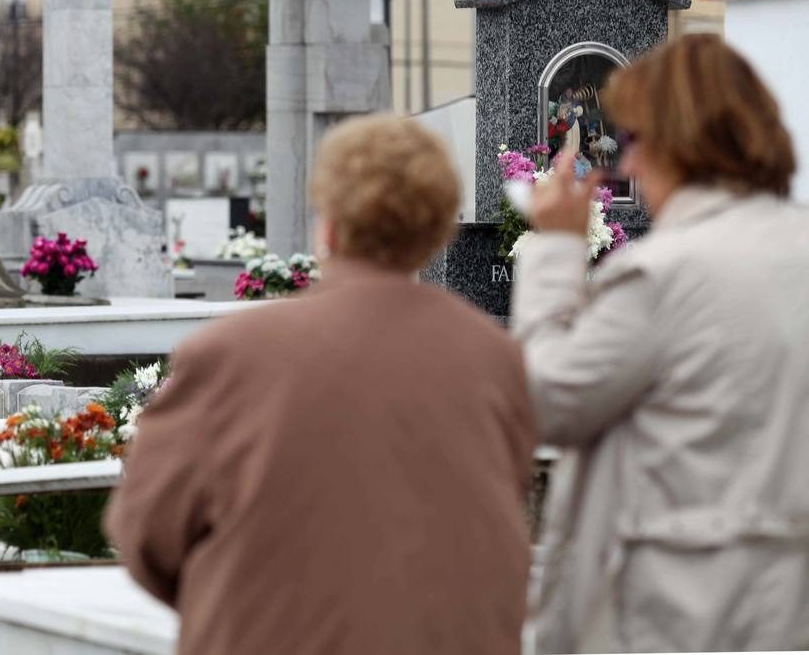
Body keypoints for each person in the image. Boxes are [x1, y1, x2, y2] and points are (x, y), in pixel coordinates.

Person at [105, 115, 536, 655]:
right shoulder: (495, 359)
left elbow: (147, 533)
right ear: (435, 232)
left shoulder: (230, 354)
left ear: (329, 225)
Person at [514, 34, 809, 652]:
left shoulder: (664, 272)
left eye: (636, 140)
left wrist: (557, 249)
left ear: (678, 141)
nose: (626, 165)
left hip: (679, 607)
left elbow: (543, 400)